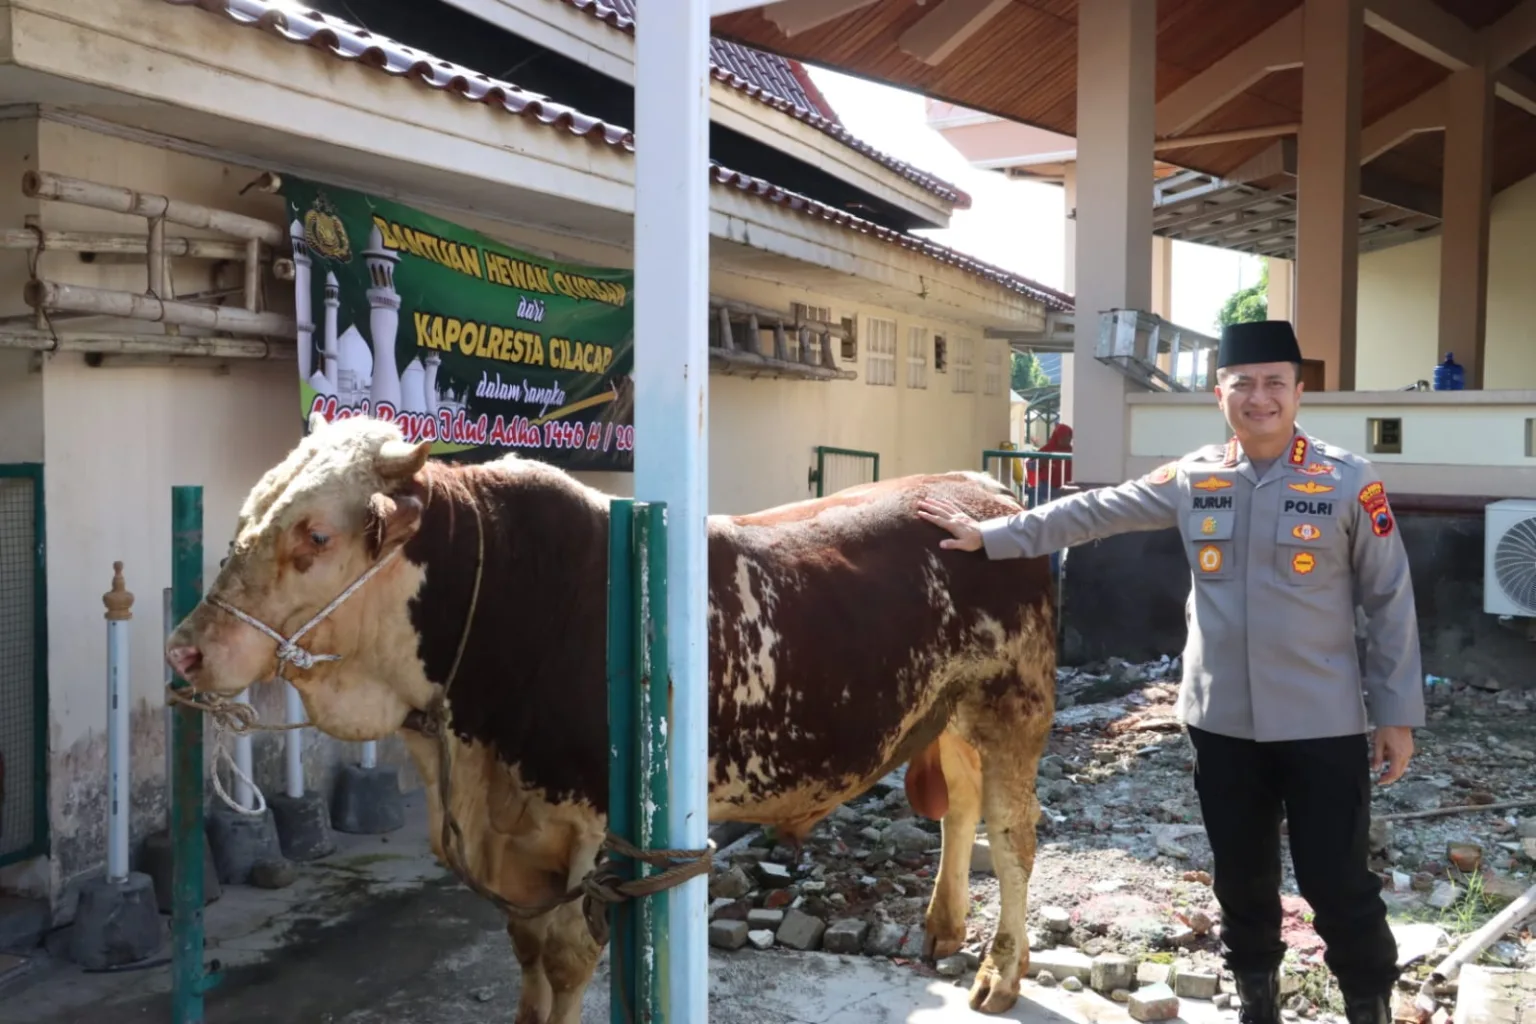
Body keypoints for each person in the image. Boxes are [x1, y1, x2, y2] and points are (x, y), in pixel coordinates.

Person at [917, 320, 1424, 1024]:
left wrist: (1395, 714)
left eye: (1275, 382)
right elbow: (1094, 511)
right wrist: (995, 535)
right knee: (1242, 882)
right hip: (1221, 725)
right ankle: (1257, 1003)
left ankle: (1367, 1005)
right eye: (1242, 384)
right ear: (1221, 395)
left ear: (1300, 392)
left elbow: (1389, 598)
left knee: (1337, 883)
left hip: (1323, 723)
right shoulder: (1196, 477)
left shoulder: (1347, 481)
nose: (1259, 397)